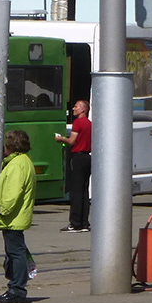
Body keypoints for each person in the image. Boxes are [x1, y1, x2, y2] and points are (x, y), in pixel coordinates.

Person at [0, 129, 36, 303]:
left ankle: (17, 288)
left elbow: (12, 193)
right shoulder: (21, 162)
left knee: (15, 253)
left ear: (10, 146)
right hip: (15, 217)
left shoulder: (17, 164)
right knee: (14, 252)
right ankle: (16, 285)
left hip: (12, 218)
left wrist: (2, 210)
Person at [55, 99, 91, 232]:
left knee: (75, 191)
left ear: (83, 109)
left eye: (76, 106)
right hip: (87, 157)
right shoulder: (90, 124)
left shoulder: (78, 123)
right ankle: (84, 222)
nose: (73, 109)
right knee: (84, 190)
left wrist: (61, 139)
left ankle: (75, 223)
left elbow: (71, 141)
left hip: (77, 158)